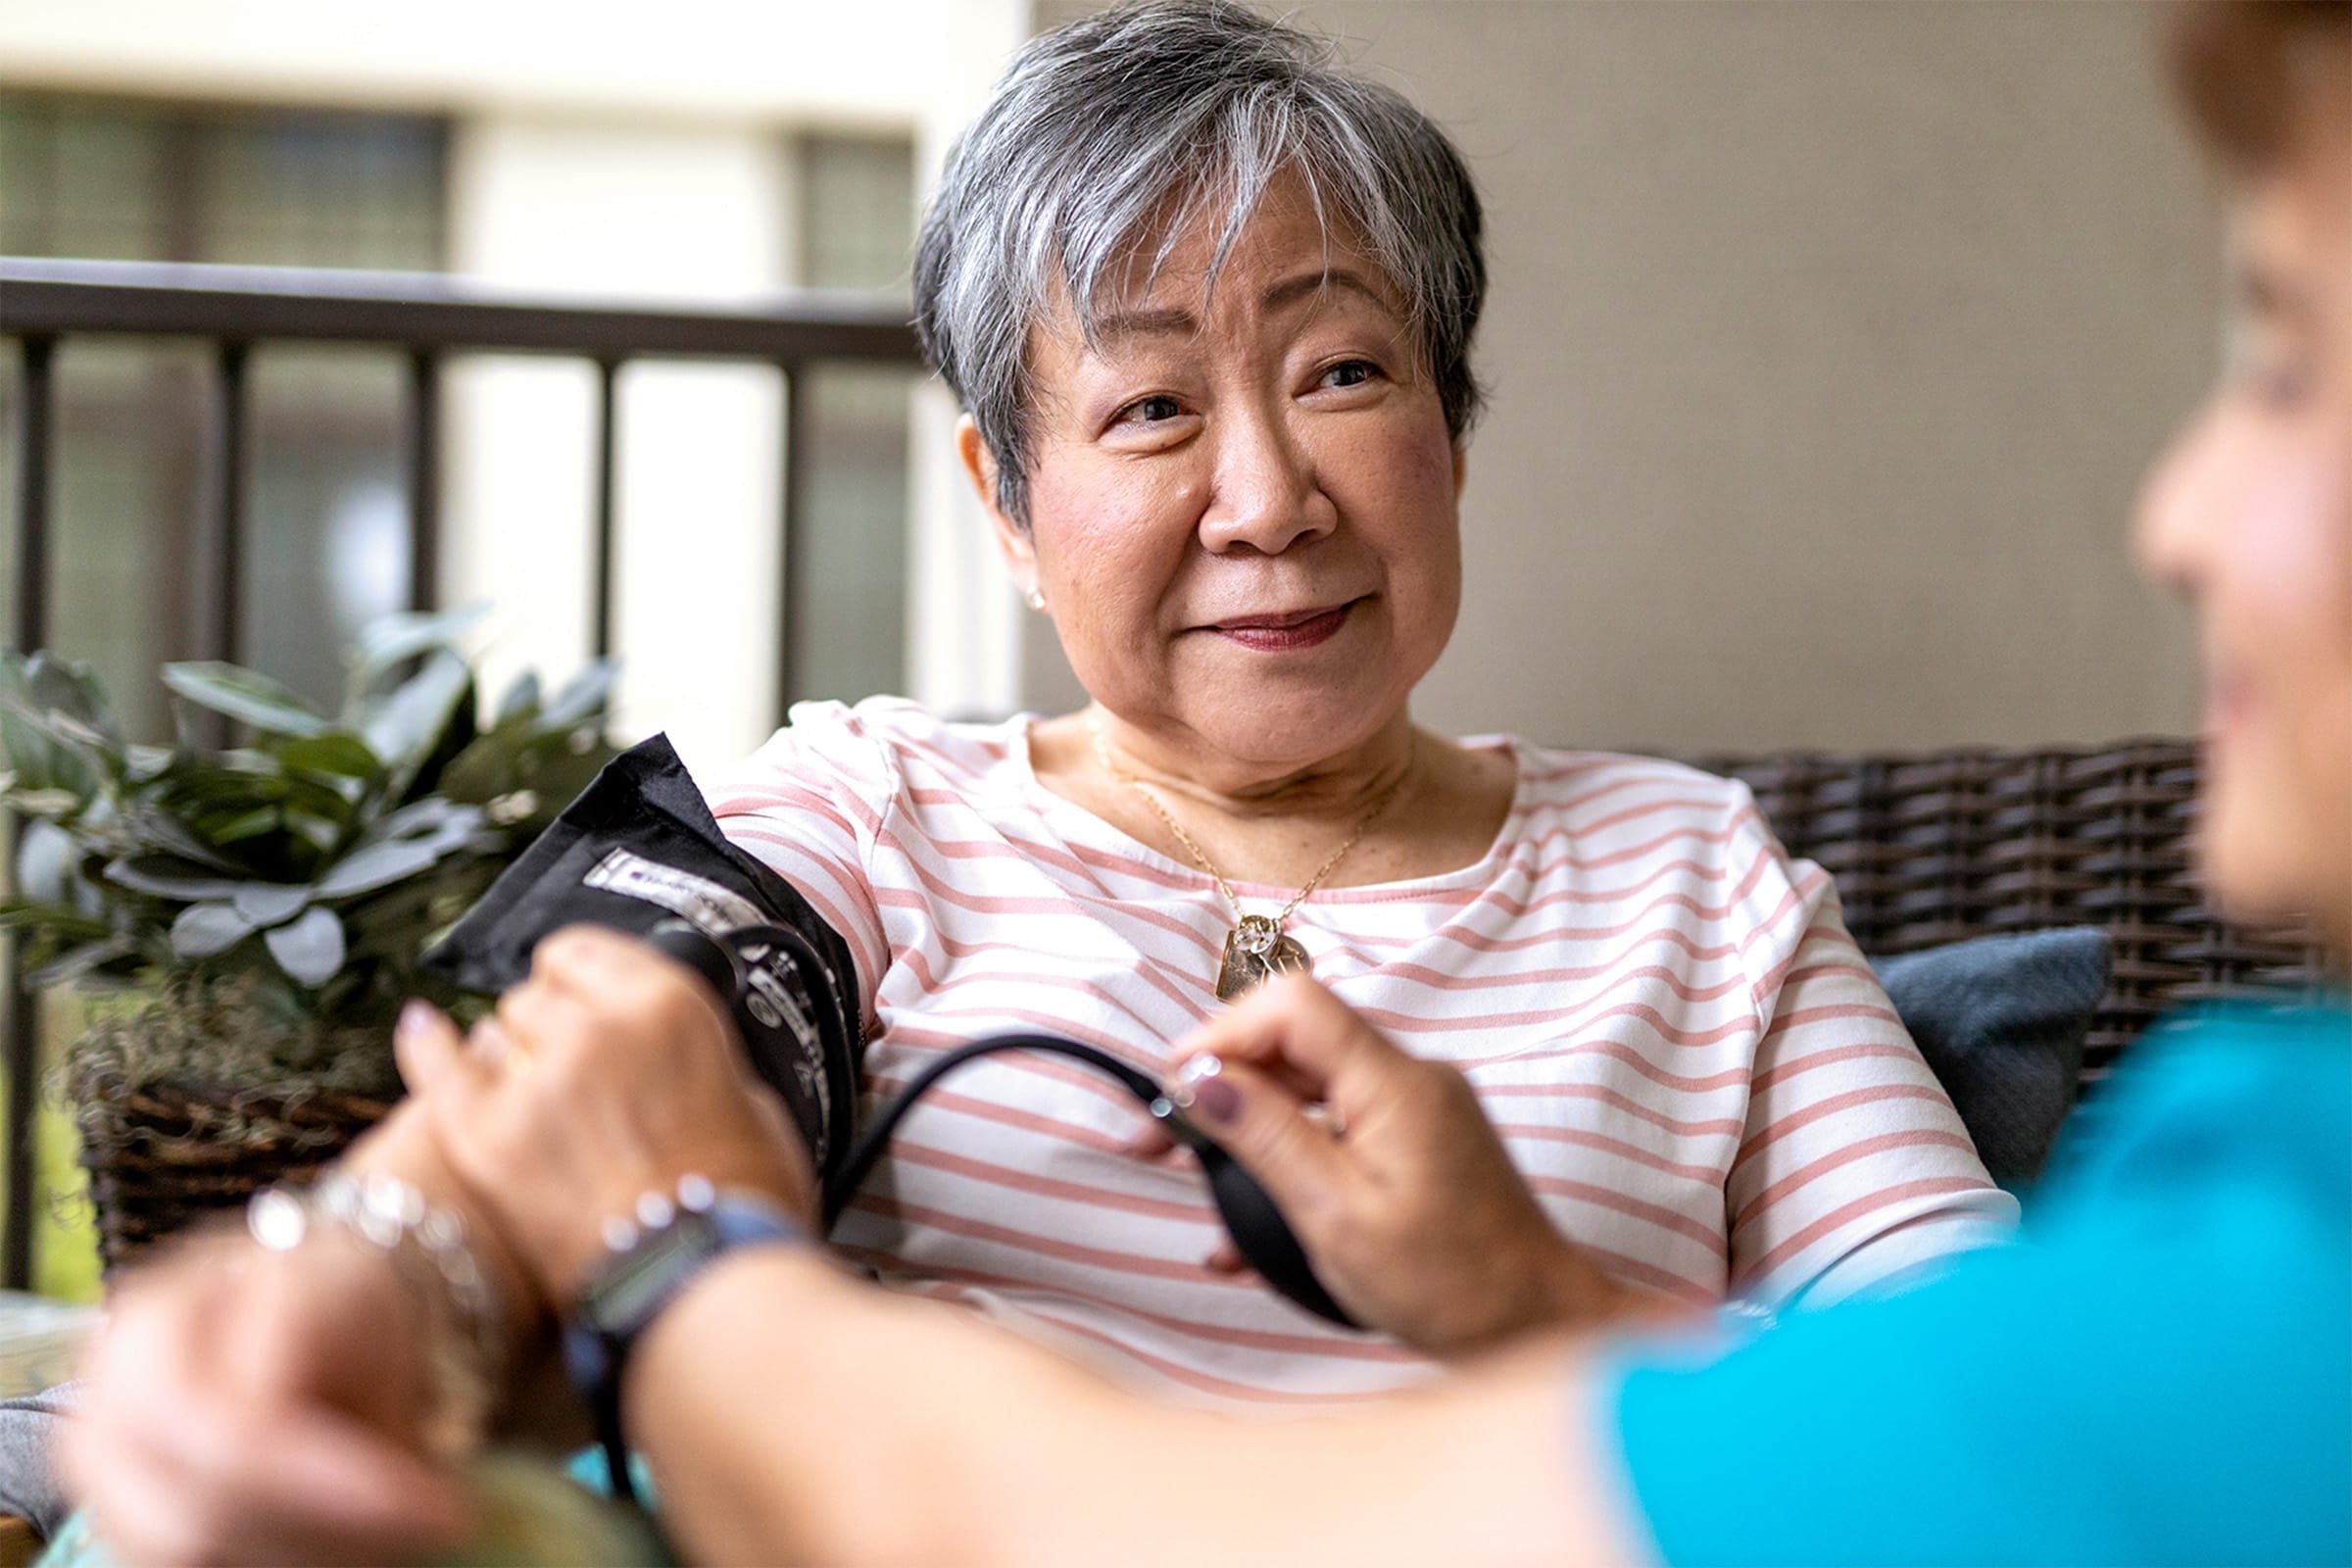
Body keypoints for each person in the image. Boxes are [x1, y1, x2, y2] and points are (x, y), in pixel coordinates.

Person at [59, 0, 2351, 1561]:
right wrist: (378, 1262)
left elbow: (1954, 1411)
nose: (1267, 491)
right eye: (1151, 409)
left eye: (1346, 370)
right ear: (1000, 488)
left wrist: (1539, 1281)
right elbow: (651, 1030)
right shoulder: (869, 808)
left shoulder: (1697, 881)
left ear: (1452, 425)